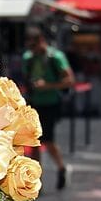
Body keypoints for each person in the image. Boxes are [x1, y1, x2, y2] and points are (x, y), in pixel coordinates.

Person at [22, 27, 74, 190]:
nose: (33, 49)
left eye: (34, 45)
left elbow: (69, 80)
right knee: (34, 142)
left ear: (41, 41)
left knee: (48, 140)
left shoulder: (55, 57)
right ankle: (37, 178)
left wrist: (48, 86)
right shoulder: (28, 58)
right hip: (34, 102)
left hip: (51, 102)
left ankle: (61, 167)